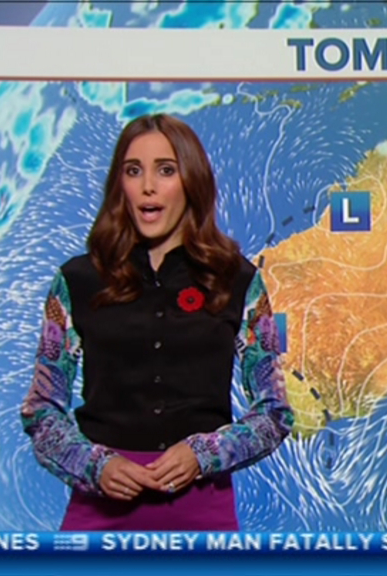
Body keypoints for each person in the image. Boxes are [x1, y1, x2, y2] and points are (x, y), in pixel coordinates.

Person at [19, 113, 294, 531]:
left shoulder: (237, 281)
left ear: (192, 181)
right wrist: (95, 465)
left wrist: (203, 454)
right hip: (100, 518)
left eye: (166, 170)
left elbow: (274, 412)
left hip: (203, 517)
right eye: (134, 171)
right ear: (120, 186)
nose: (148, 185)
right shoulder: (76, 281)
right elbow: (41, 410)